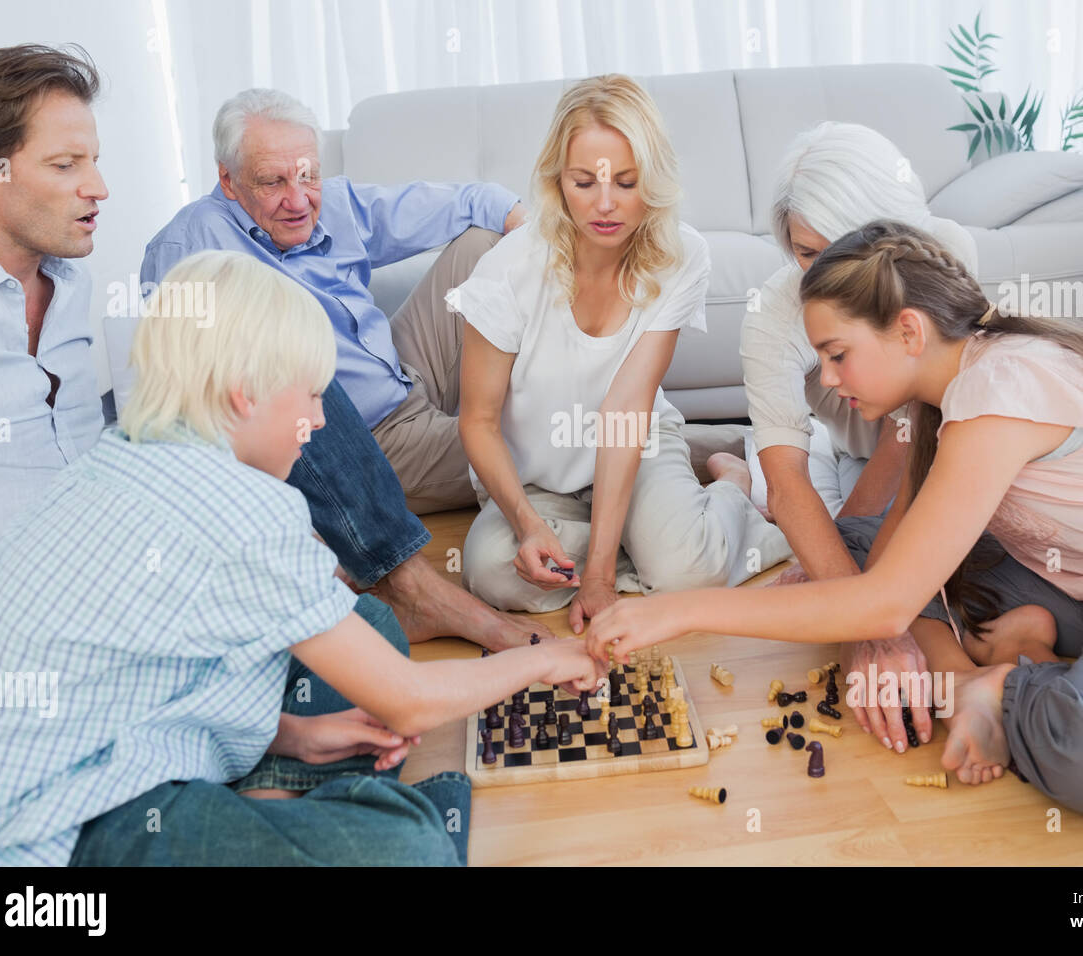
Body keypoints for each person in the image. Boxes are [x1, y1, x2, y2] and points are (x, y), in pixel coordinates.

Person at [584, 219, 1083, 818]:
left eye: (838, 353)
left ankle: (1002, 681)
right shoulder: (947, 397)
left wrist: (682, 612)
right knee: (851, 541)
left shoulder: (1003, 387)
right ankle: (981, 670)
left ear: (908, 329)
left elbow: (883, 605)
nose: (827, 376)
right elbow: (886, 557)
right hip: (1066, 577)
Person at [0, 251, 603, 866]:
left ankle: (273, 791)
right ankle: (288, 813)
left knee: (369, 627)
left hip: (69, 770)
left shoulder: (119, 456)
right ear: (246, 393)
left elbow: (148, 678)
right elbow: (408, 704)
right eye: (313, 395)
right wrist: (540, 658)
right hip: (58, 841)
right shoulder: (242, 508)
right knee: (411, 848)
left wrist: (292, 734)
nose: (321, 422)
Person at [140, 86, 558, 650]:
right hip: (361, 439)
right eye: (273, 181)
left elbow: (474, 200)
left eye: (307, 175)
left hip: (402, 373)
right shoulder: (190, 252)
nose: (298, 200)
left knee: (486, 242)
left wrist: (534, 233)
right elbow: (201, 409)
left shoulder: (330, 201)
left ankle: (596, 406)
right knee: (548, 439)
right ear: (228, 181)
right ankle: (686, 444)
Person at [452, 75, 791, 633]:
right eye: (584, 182)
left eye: (627, 183)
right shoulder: (506, 272)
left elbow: (626, 412)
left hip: (638, 445)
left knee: (684, 572)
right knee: (491, 572)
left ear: (653, 181)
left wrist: (600, 578)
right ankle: (658, 546)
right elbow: (479, 421)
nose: (605, 206)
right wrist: (528, 523)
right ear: (557, 181)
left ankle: (732, 486)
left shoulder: (681, 256)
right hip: (537, 475)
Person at [722, 122, 980, 745]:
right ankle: (730, 467)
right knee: (811, 532)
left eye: (845, 245)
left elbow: (921, 425)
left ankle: (731, 462)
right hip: (831, 447)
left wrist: (851, 589)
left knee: (890, 562)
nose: (831, 272)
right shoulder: (772, 312)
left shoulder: (943, 250)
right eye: (808, 254)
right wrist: (871, 629)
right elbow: (788, 483)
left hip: (919, 446)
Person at [0, 43, 107, 606]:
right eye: (65, 165)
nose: (98, 188)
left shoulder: (70, 283)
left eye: (94, 161)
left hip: (105, 583)